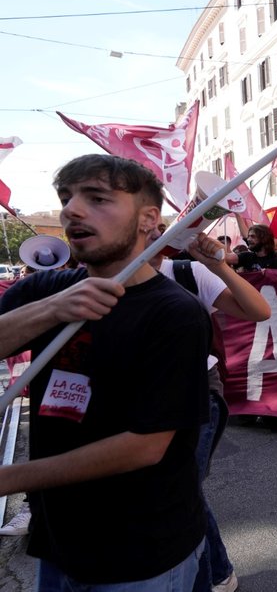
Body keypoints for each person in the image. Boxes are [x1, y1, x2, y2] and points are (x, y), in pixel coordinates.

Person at [0, 154, 211, 589]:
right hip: (58, 541)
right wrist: (53, 309)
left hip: (141, 554)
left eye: (97, 198)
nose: (72, 210)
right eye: (66, 198)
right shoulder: (44, 288)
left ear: (148, 219)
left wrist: (9, 480)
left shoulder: (175, 312)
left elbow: (145, 446)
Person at [149, 224, 271, 592]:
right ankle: (216, 572)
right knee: (177, 491)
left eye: (156, 228)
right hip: (144, 401)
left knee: (181, 489)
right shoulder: (106, 282)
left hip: (198, 394)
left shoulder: (187, 272)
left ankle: (208, 576)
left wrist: (218, 265)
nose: (153, 236)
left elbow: (258, 310)